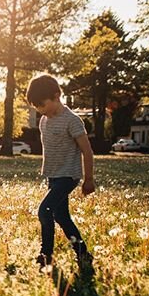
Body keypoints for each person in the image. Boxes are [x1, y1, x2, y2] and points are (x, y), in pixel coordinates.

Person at [26, 74, 95, 271]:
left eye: (42, 104)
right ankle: (83, 253)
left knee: (44, 211)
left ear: (56, 96)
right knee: (62, 216)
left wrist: (88, 179)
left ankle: (46, 254)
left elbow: (87, 151)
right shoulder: (44, 121)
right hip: (53, 176)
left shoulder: (72, 120)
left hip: (68, 176)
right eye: (36, 106)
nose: (40, 110)